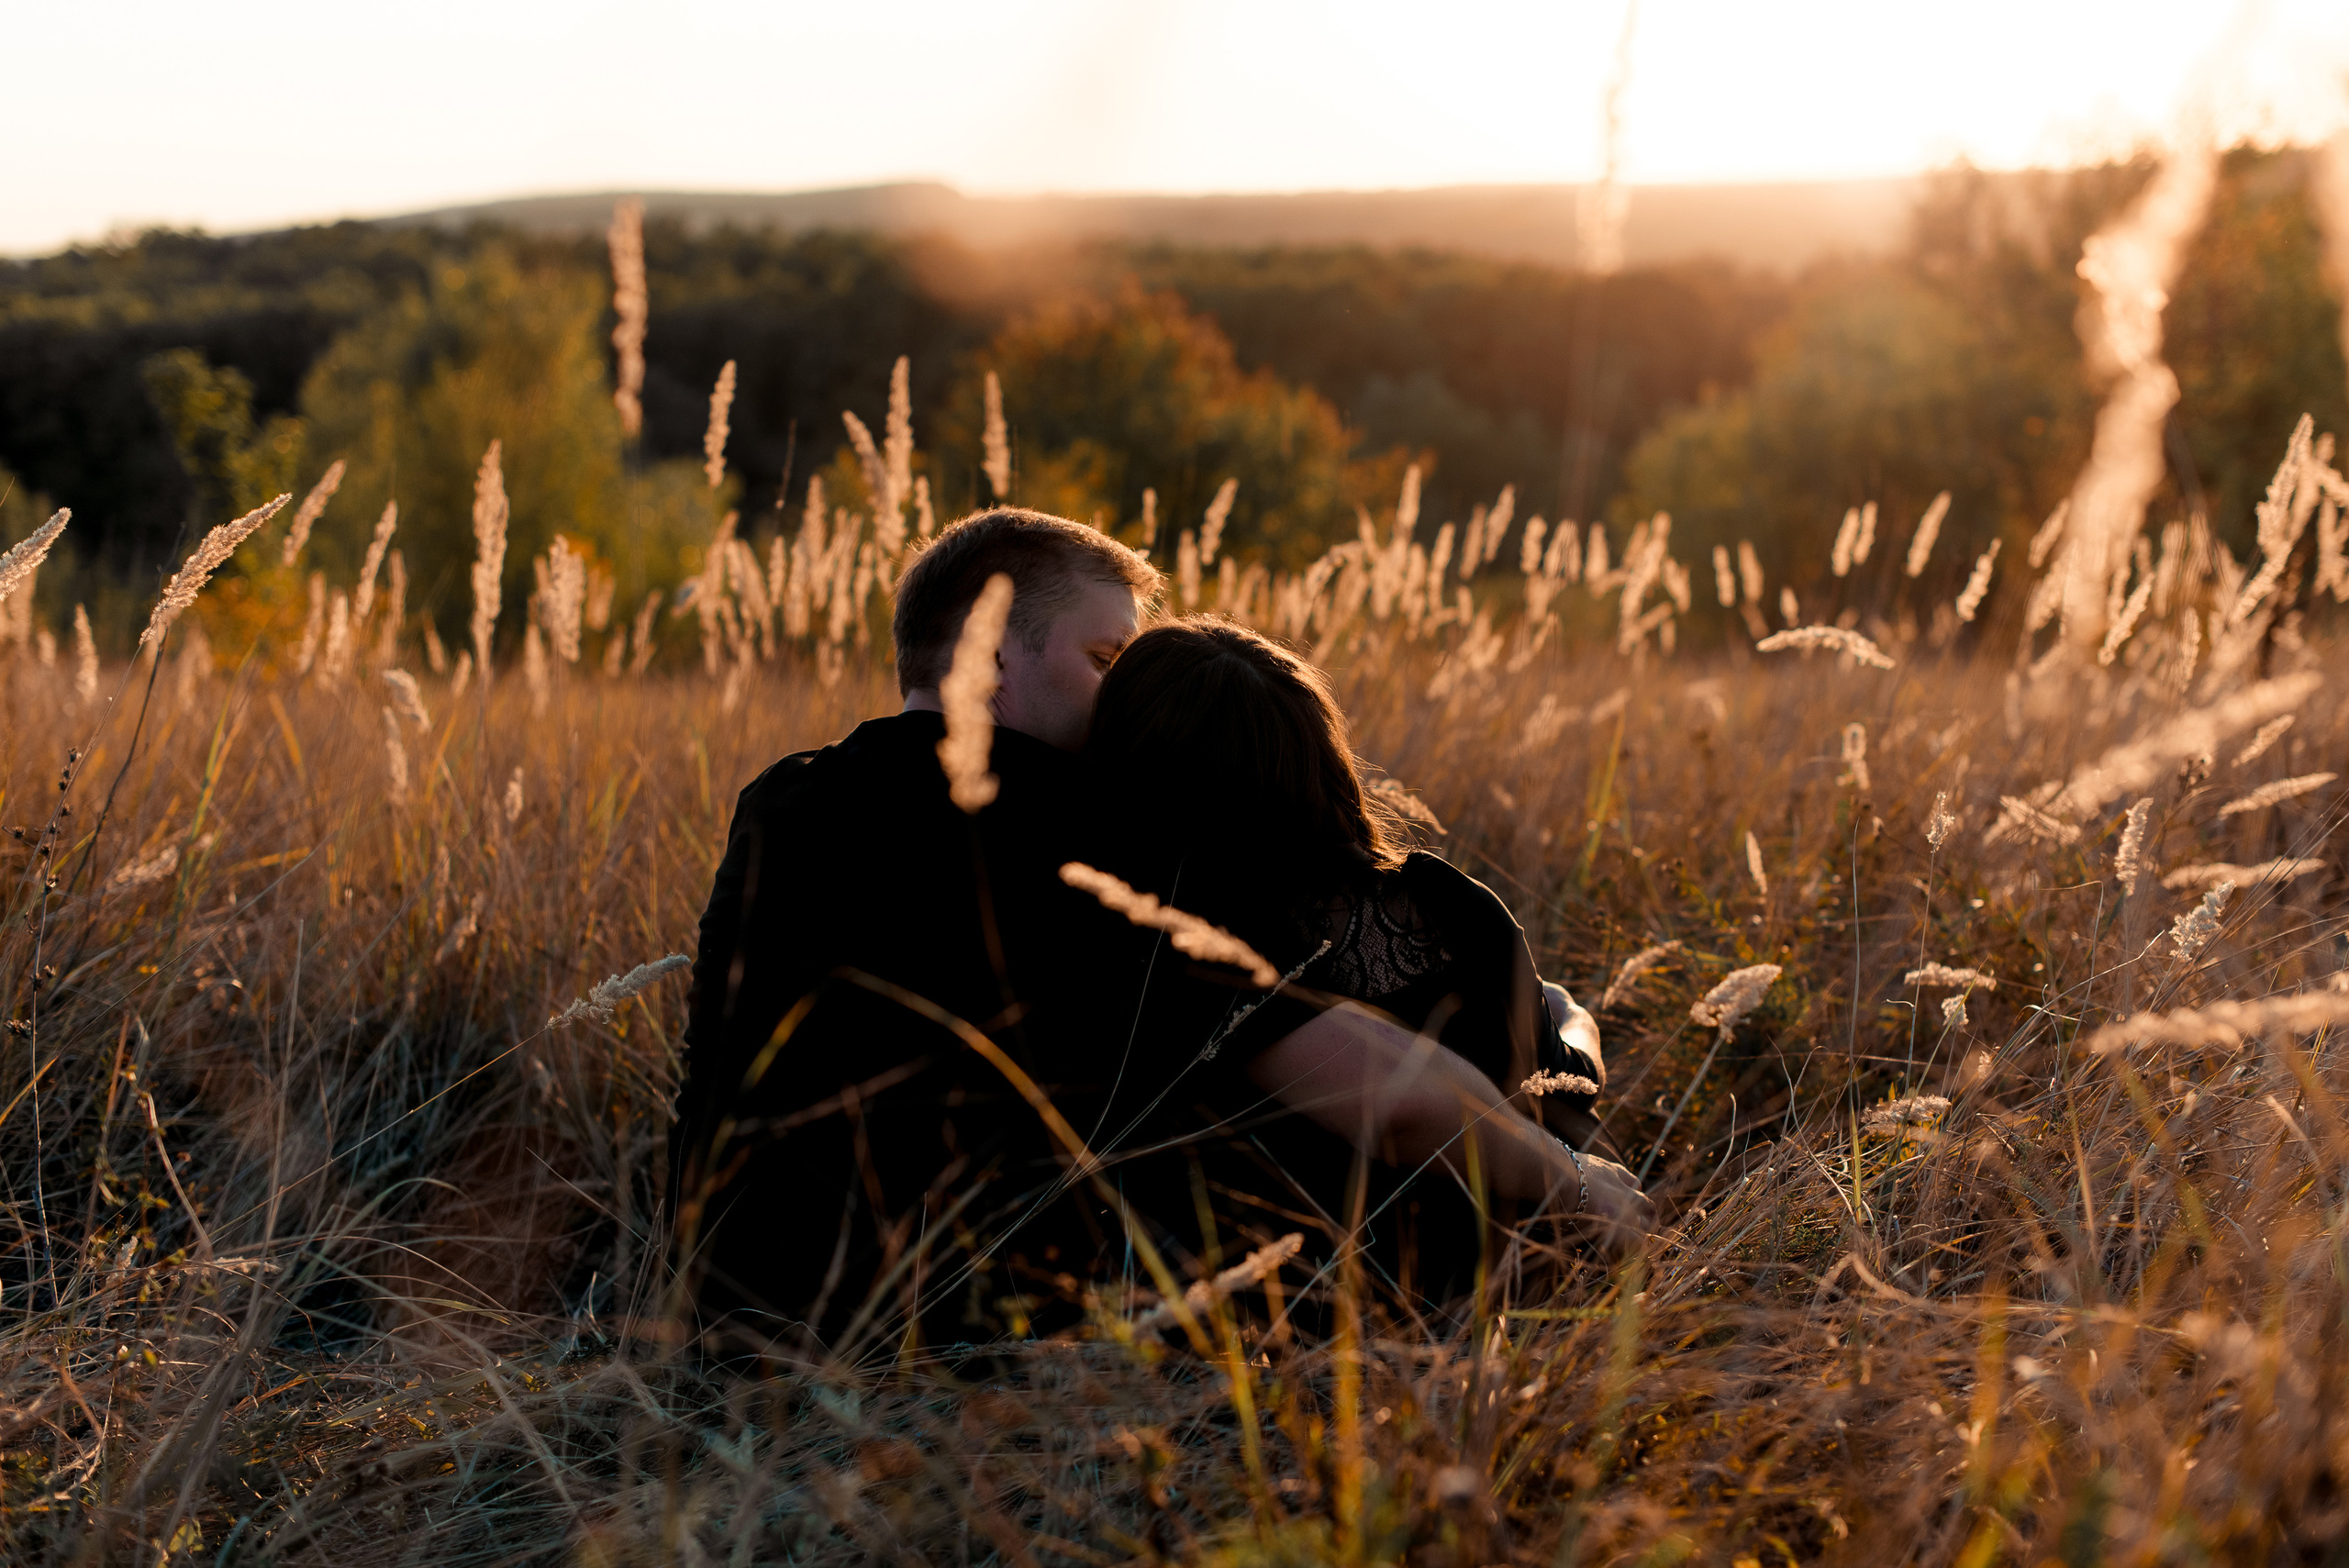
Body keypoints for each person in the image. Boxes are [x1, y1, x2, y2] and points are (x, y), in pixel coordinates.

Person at [671, 508, 1645, 1365]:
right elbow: (1377, 1083)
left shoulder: (783, 799)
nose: (1120, 697)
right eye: (1104, 661)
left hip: (723, 1311)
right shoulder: (1070, 832)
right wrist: (1580, 1184)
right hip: (952, 1346)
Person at [1074, 617, 1648, 1307]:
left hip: (1337, 1335)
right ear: (1319, 754)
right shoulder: (1451, 899)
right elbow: (1555, 1090)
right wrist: (1575, 1019)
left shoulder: (1185, 946)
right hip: (1534, 1309)